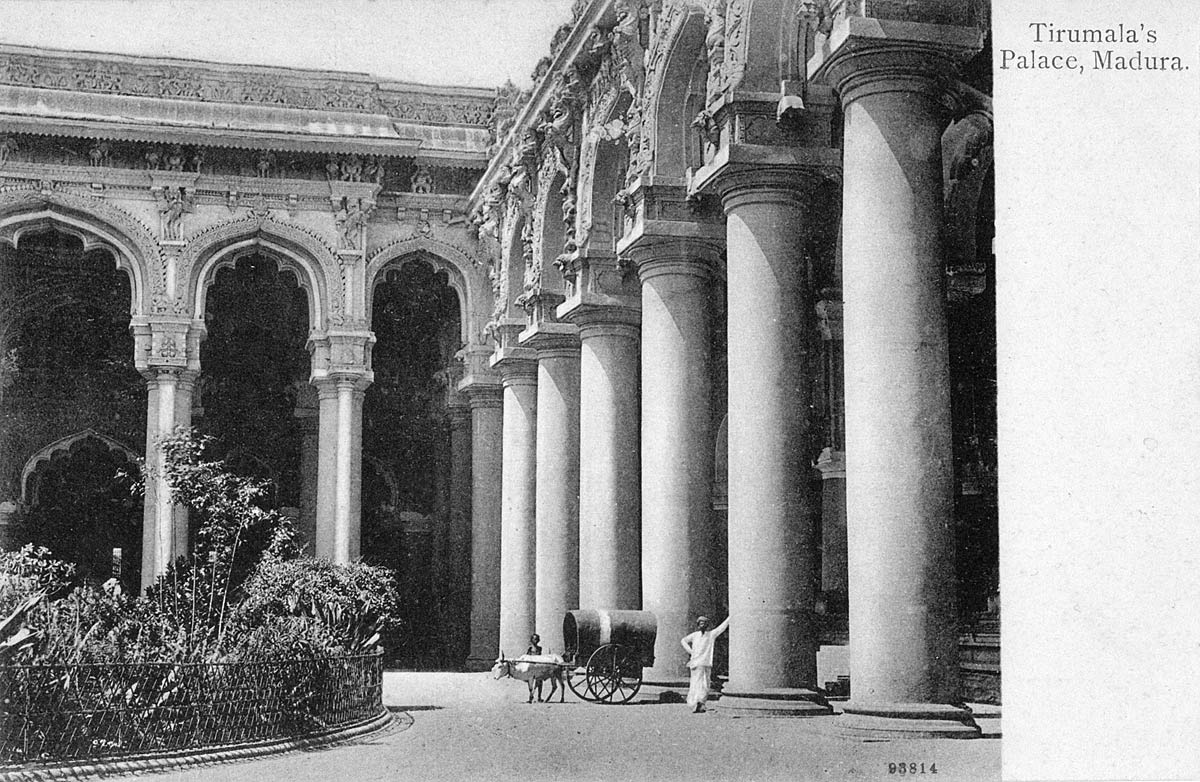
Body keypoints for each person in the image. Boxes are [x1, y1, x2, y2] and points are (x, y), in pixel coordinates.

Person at [680, 615, 729, 713]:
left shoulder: (711, 635)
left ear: (707, 625)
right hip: (695, 663)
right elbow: (683, 641)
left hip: (705, 663)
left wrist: (730, 617)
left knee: (705, 684)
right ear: (698, 625)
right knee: (695, 684)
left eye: (704, 623)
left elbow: (722, 627)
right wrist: (691, 651)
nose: (702, 625)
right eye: (700, 623)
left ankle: (700, 703)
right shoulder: (694, 635)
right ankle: (696, 703)